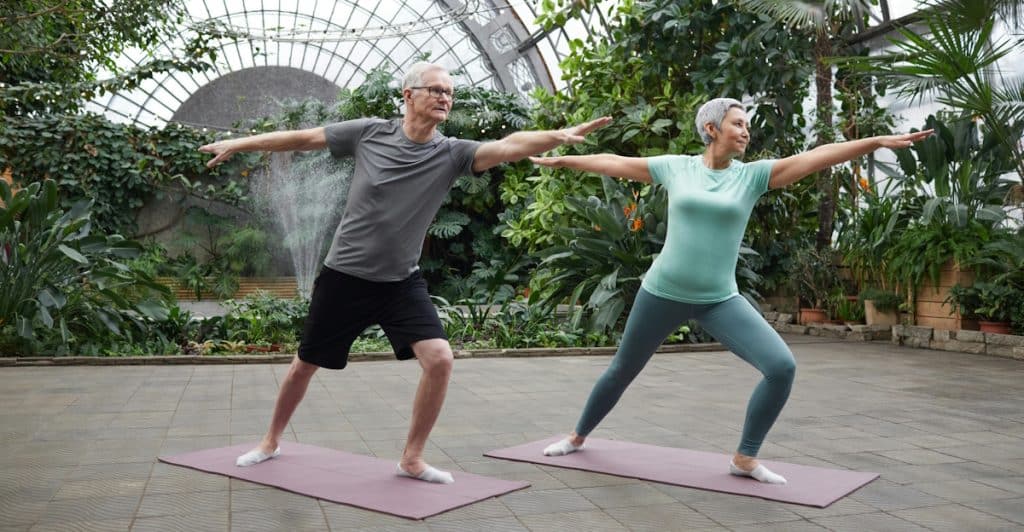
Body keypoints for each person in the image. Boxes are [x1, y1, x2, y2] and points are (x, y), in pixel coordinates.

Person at [200, 61, 610, 484]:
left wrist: (558, 136)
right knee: (304, 364)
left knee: (440, 360)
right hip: (344, 276)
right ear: (408, 94)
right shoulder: (370, 133)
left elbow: (508, 145)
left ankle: (411, 458)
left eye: (449, 93)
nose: (444, 98)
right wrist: (242, 143)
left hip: (400, 282)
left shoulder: (452, 153)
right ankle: (270, 441)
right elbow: (304, 138)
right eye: (435, 90)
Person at [532, 98, 932, 484]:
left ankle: (745, 457)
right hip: (661, 292)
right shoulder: (677, 168)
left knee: (781, 367)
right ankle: (577, 436)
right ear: (711, 129)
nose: (746, 131)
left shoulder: (752, 176)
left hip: (719, 300)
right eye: (738, 124)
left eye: (746, 125)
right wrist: (564, 158)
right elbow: (615, 163)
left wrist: (875, 141)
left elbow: (818, 156)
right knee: (622, 370)